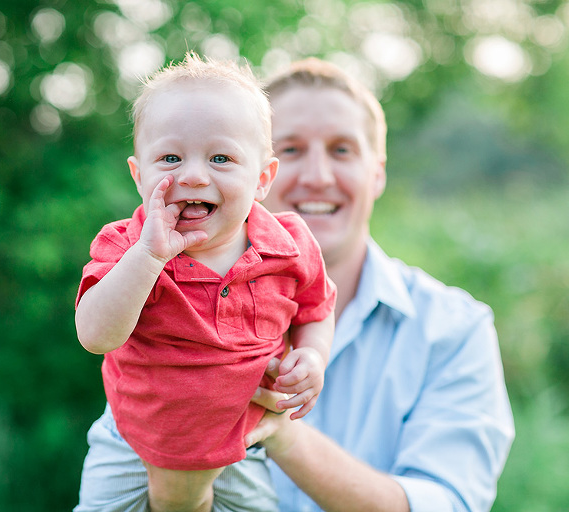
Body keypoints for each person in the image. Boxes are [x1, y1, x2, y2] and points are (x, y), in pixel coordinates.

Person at [244, 57, 515, 512]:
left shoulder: (455, 331)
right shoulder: (178, 305)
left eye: (342, 150)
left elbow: (447, 503)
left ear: (378, 172)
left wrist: (280, 432)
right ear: (256, 174)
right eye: (289, 149)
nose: (316, 176)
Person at [74, 53, 336, 512]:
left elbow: (316, 310)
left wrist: (313, 355)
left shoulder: (289, 246)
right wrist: (149, 257)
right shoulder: (127, 246)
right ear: (140, 175)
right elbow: (95, 336)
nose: (193, 175)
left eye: (221, 158)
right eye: (170, 157)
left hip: (244, 441)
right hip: (132, 444)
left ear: (262, 178)